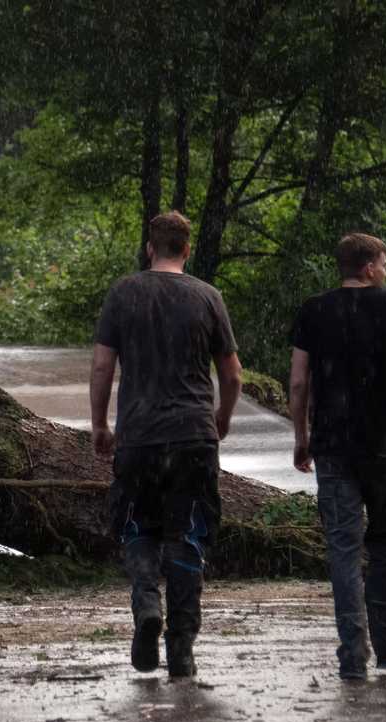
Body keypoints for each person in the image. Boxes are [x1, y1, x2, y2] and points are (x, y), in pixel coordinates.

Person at [90, 211, 242, 679]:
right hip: (194, 436)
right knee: (189, 534)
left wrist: (100, 424)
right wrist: (221, 418)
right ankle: (181, 648)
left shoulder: (124, 293)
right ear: (187, 249)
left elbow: (102, 367)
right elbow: (233, 374)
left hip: (139, 437)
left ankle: (146, 604)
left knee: (137, 526)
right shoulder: (207, 297)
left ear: (149, 248)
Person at [289, 233, 386, 680]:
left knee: (344, 548)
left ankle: (353, 653)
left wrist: (302, 436)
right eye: (384, 264)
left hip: (333, 444)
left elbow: (298, 382)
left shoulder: (314, 310)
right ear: (370, 267)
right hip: (385, 443)